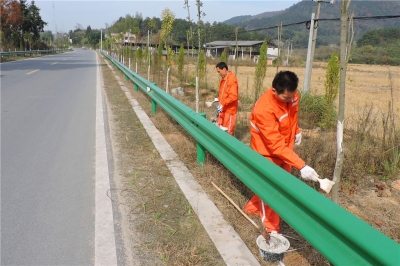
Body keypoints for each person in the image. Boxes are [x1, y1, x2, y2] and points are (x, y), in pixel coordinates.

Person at [243, 70, 320, 234]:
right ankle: (271, 230)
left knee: (281, 187)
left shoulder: (292, 95)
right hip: (266, 153)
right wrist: (302, 166)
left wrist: (297, 130)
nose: (291, 99)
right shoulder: (264, 109)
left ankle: (252, 208)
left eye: (292, 96)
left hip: (286, 150)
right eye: (286, 98)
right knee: (274, 191)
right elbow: (275, 145)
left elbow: (293, 115)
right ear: (273, 91)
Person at [215, 62, 239, 136]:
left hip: (229, 110)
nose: (218, 73)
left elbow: (233, 96)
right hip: (223, 109)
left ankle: (227, 147)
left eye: (219, 71)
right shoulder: (224, 79)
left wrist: (222, 104)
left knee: (228, 130)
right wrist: (217, 99)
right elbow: (224, 94)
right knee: (220, 128)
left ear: (224, 69)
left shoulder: (231, 80)